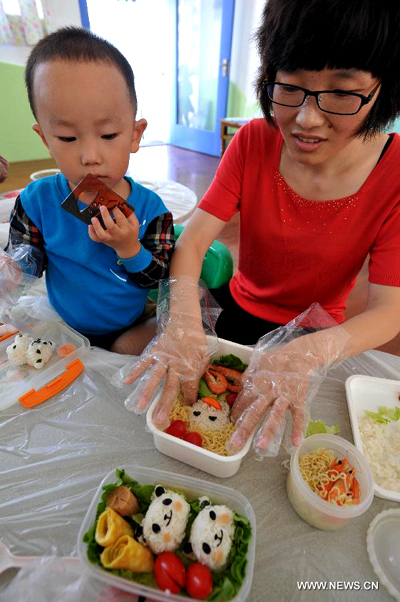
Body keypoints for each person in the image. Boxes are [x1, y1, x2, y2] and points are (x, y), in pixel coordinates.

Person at [125, 0, 400, 455]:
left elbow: (389, 310)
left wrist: (309, 354)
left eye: (341, 93)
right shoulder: (253, 142)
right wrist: (186, 319)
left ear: (381, 88)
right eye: (289, 87)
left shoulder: (393, 173)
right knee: (148, 365)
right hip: (240, 307)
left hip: (317, 333)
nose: (307, 120)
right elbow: (191, 244)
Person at [4, 27, 174, 355]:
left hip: (131, 321)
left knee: (127, 352)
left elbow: (160, 279)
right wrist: (13, 268)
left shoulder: (152, 209)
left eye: (109, 135)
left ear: (136, 135)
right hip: (64, 320)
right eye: (68, 138)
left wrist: (129, 247)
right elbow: (26, 261)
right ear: (45, 140)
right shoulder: (37, 201)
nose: (90, 157)